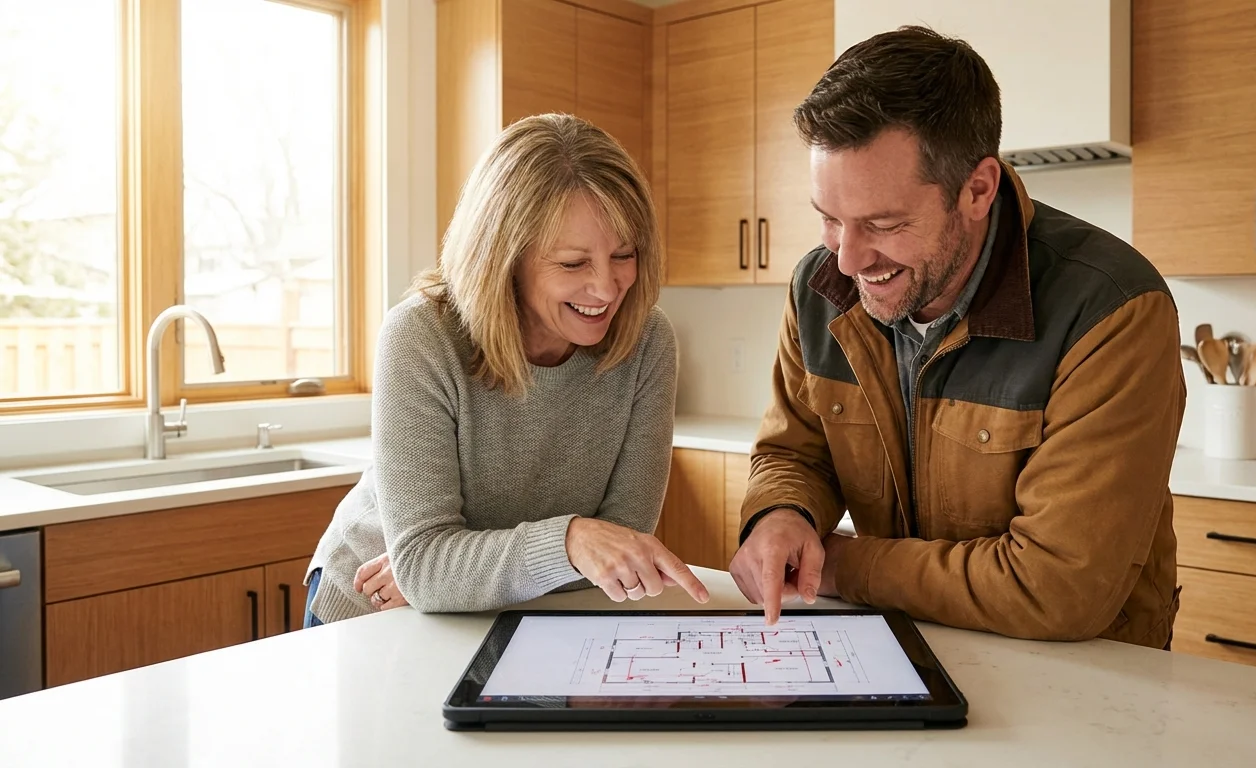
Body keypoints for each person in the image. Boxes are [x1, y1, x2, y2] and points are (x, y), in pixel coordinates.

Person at [728, 27, 1185, 649]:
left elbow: (1057, 587)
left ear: (977, 190)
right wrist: (781, 515)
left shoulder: (1112, 309)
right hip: (907, 640)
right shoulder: (821, 286)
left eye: (883, 223)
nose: (849, 258)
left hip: (1084, 673)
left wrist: (838, 564)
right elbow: (794, 454)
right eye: (829, 218)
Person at [303, 114, 709, 627]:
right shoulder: (420, 336)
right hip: (375, 605)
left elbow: (620, 549)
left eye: (623, 255)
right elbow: (424, 567)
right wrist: (562, 544)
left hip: (511, 608)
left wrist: (456, 576)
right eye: (573, 263)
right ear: (504, 257)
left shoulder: (648, 342)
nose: (607, 288)